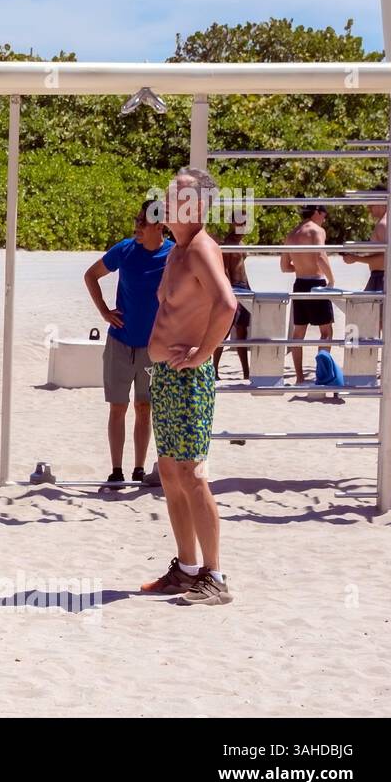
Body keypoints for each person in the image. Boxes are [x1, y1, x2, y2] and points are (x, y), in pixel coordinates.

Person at [140, 167, 238, 605]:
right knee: (168, 470)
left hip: (188, 379)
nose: (166, 199)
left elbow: (228, 303)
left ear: (196, 206)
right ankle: (187, 567)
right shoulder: (177, 250)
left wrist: (202, 355)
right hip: (166, 376)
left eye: (176, 195)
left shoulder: (201, 248)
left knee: (192, 474)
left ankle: (215, 577)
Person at [83, 199, 172, 486]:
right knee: (117, 407)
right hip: (120, 342)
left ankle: (139, 468)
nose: (136, 227)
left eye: (141, 222)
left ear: (159, 226)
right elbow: (91, 275)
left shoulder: (173, 255)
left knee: (144, 408)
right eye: (135, 220)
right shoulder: (125, 249)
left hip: (153, 347)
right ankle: (116, 470)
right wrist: (104, 311)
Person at [281, 204, 335, 384]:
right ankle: (323, 375)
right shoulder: (316, 230)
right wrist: (332, 280)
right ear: (317, 212)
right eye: (325, 214)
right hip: (316, 283)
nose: (325, 218)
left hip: (299, 284)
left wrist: (302, 265)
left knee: (298, 333)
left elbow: (284, 266)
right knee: (326, 332)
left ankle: (299, 377)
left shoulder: (292, 234)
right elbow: (320, 255)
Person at [212, 211, 252, 380]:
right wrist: (227, 291)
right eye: (239, 223)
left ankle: (246, 372)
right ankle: (214, 370)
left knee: (242, 330)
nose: (242, 227)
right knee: (224, 330)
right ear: (232, 224)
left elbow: (242, 269)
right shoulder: (228, 244)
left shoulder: (240, 243)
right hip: (233, 288)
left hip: (244, 287)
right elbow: (225, 270)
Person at [343, 187, 387, 293]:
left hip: (381, 278)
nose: (368, 207)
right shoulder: (385, 222)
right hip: (379, 277)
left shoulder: (383, 225)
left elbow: (387, 259)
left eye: (371, 204)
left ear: (381, 203)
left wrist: (356, 258)